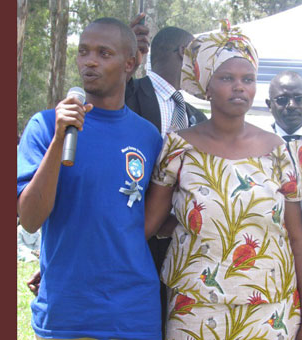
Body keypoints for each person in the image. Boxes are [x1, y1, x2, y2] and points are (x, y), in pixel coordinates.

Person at [144, 21, 302, 340]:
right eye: (227, 78)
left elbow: (297, 238)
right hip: (193, 311)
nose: (240, 87)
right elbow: (147, 225)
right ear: (207, 87)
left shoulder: (281, 151)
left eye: (247, 79)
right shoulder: (177, 147)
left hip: (270, 313)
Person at [17, 17, 163, 340]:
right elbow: (29, 219)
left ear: (129, 64)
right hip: (68, 314)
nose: (90, 61)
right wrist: (59, 140)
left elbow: (148, 219)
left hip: (134, 315)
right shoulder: (44, 127)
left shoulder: (149, 137)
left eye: (103, 53)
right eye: (83, 52)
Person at [125, 25, 208, 331]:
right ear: (181, 54)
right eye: (195, 56)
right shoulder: (131, 93)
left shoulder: (196, 115)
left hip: (181, 242)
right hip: (134, 236)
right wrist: (130, 57)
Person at [265, 70, 302, 267]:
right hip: (271, 256)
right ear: (269, 105)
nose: (291, 105)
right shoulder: (256, 148)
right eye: (282, 99)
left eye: (299, 98)